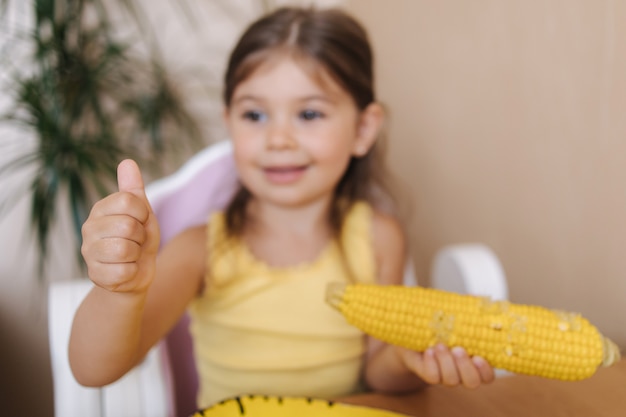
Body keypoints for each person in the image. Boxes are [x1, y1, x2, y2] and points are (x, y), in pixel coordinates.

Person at [69, 5, 494, 409]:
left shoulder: (379, 237)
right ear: (229, 123)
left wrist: (408, 360)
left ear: (363, 129)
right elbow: (94, 370)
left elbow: (379, 371)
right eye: (254, 116)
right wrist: (119, 292)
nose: (278, 140)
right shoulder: (201, 249)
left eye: (309, 114)